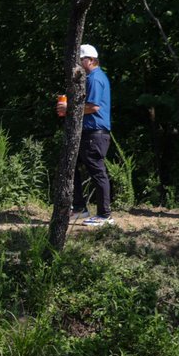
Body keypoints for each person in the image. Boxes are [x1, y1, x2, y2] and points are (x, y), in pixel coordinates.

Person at [57, 44, 114, 226]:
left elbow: (94, 106)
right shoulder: (91, 77)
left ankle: (105, 215)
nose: (78, 65)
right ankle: (80, 208)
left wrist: (69, 108)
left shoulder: (95, 79)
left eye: (80, 60)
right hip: (88, 133)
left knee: (98, 173)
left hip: (95, 134)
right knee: (71, 167)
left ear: (90, 60)